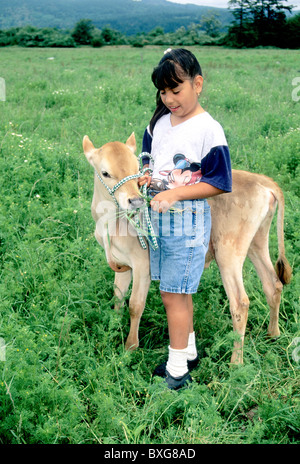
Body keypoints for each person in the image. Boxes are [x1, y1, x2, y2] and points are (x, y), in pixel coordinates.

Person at [139, 48, 232, 390]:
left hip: (186, 220)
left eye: (176, 90)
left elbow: (219, 182)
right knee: (173, 290)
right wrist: (146, 174)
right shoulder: (161, 121)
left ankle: (178, 372)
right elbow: (149, 155)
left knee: (172, 295)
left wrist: (175, 192)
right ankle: (188, 352)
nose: (169, 98)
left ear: (198, 84)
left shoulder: (208, 129)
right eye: (163, 92)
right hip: (158, 218)